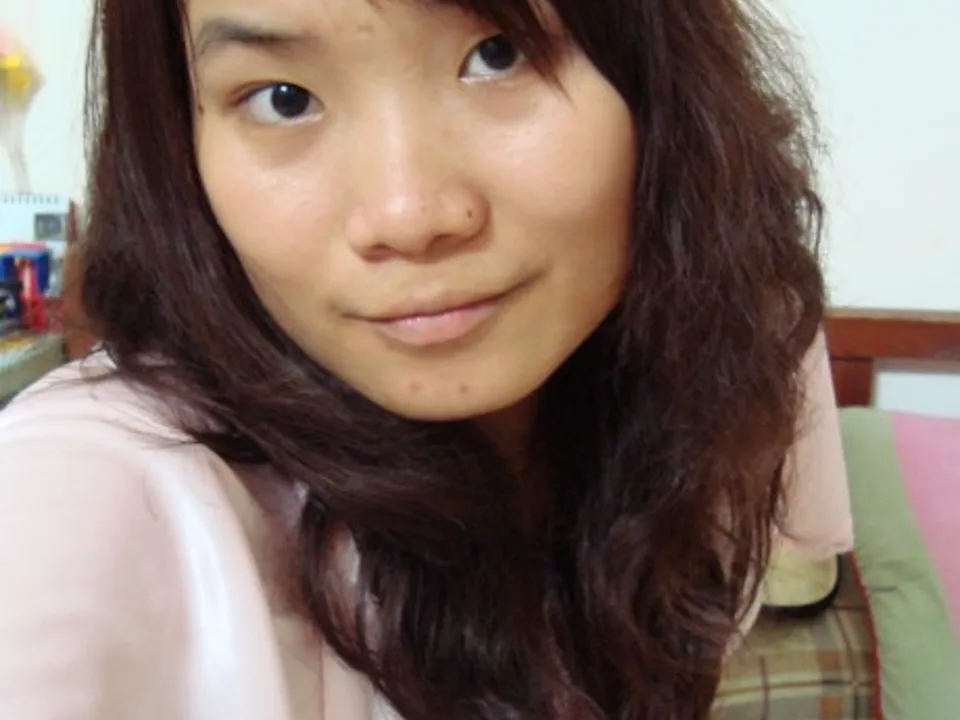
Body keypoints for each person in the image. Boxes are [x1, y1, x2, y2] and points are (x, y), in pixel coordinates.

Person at [0, 0, 853, 717]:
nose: (408, 215)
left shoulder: (737, 348)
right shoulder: (102, 490)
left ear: (660, 71)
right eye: (284, 100)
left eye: (498, 53)